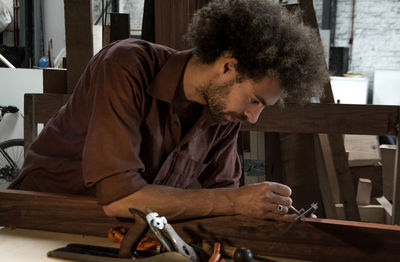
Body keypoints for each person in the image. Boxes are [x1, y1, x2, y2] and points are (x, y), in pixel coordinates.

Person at [11, 0, 328, 222]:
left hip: (113, 230)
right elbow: (120, 197)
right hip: (37, 220)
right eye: (255, 99)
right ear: (228, 65)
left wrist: (263, 213)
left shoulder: (223, 112)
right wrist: (233, 202)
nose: (253, 116)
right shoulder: (126, 66)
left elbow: (225, 195)